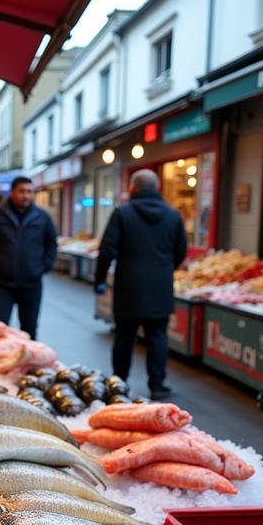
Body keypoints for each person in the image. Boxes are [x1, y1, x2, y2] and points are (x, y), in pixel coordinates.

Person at [94, 168, 187, 400]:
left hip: (129, 285)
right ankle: (157, 384)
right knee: (158, 335)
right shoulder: (173, 215)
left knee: (125, 335)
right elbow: (181, 251)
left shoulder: (122, 213)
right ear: (157, 188)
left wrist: (100, 279)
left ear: (133, 188)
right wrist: (164, 269)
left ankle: (119, 384)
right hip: (160, 286)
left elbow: (107, 250)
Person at [0, 176, 57, 335]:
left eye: (29, 192)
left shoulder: (42, 217)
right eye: (22, 191)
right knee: (0, 330)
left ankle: (29, 360)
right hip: (2, 284)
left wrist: (44, 267)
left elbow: (51, 243)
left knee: (30, 330)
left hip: (31, 284)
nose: (26, 195)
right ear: (12, 192)